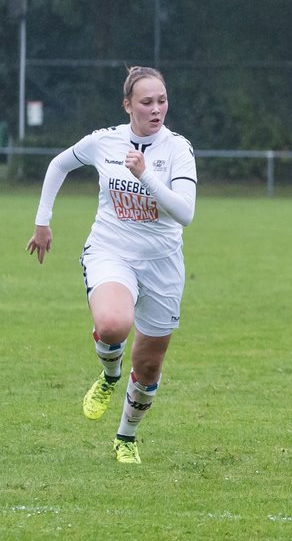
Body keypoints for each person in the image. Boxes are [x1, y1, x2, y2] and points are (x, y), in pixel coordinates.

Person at [25, 66, 197, 463]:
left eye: (162, 101)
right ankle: (109, 375)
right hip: (111, 250)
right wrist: (42, 220)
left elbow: (184, 213)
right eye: (147, 102)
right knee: (113, 324)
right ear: (127, 105)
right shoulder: (105, 141)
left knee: (150, 365)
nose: (156, 109)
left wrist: (145, 177)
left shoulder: (177, 149)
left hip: (163, 264)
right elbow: (59, 165)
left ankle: (125, 438)